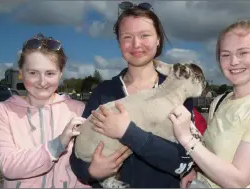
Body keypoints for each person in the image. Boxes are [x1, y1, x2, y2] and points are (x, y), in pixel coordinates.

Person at [70, 2, 200, 188]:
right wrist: (90, 171)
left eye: (145, 35)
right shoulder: (104, 93)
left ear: (158, 40)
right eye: (127, 37)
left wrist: (129, 133)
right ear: (119, 43)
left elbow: (183, 161)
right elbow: (76, 156)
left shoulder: (178, 93)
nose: (136, 44)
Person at [170, 20, 250, 188]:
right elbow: (212, 153)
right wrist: (197, 171)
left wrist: (186, 138)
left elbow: (237, 181)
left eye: (243, 53)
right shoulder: (220, 101)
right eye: (226, 55)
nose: (233, 62)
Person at [0, 34, 91, 188]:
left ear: (61, 73)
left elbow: (85, 163)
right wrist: (57, 145)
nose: (42, 82)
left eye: (50, 73)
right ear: (21, 73)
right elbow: (8, 166)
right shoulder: (1, 112)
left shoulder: (78, 109)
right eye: (33, 73)